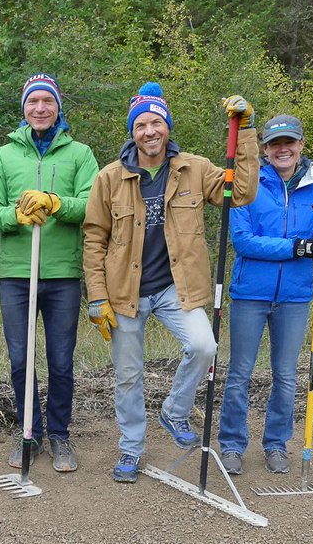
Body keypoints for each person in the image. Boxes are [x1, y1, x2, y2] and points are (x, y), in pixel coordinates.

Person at [83, 82, 259, 483]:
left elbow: (241, 193)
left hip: (174, 288)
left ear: (167, 127)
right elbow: (94, 238)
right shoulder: (110, 178)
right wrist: (96, 296)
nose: (149, 131)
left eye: (156, 123)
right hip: (124, 294)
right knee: (128, 376)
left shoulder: (194, 169)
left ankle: (175, 411)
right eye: (141, 125)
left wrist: (246, 130)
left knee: (204, 345)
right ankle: (131, 449)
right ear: (132, 132)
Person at [216, 115, 313, 476]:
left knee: (286, 376)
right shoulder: (249, 183)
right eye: (275, 144)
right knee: (239, 373)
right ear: (264, 149)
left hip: (294, 296)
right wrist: (300, 248)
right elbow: (244, 241)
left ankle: (276, 444)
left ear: (301, 145)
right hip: (250, 294)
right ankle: (232, 445)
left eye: (289, 142)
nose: (283, 149)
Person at [0, 73, 98, 472]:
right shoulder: (3, 157)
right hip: (16, 274)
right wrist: (15, 215)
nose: (40, 108)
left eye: (47, 101)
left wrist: (55, 203)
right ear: (24, 108)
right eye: (33, 102)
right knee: (20, 359)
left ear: (58, 107)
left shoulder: (80, 154)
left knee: (61, 361)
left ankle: (60, 435)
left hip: (62, 274)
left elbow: (91, 204)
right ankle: (28, 432)